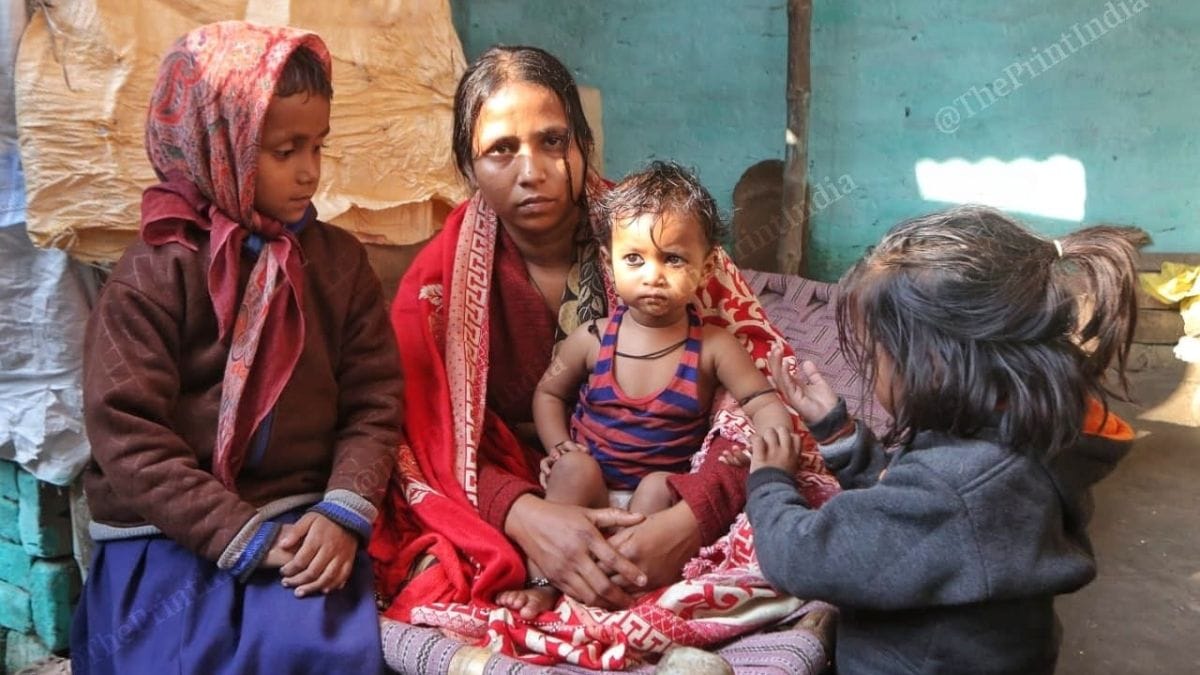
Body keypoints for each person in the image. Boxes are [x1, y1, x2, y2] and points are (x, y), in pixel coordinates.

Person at [369, 45, 838, 634]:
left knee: (776, 524)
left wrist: (692, 514)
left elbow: (755, 401)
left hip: (665, 478)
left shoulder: (654, 233)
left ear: (583, 145)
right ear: (468, 167)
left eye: (552, 141)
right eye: (501, 150)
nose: (532, 171)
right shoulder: (438, 284)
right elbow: (422, 439)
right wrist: (522, 513)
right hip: (535, 482)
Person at [71, 22, 401, 675]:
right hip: (166, 523)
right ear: (220, 144)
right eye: (284, 150)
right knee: (167, 655)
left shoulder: (337, 265)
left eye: (317, 146)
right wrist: (236, 535)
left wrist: (342, 512)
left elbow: (374, 400)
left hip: (300, 513)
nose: (310, 171)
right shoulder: (154, 273)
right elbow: (128, 434)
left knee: (311, 650)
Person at [739, 206, 1140, 674]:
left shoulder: (958, 487)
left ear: (931, 366)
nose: (871, 375)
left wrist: (768, 484)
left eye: (877, 357)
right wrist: (840, 432)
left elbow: (806, 557)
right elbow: (911, 511)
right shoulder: (1028, 435)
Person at [494, 162, 793, 617]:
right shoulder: (591, 340)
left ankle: (631, 587)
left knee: (659, 486)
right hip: (590, 488)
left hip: (652, 507)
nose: (652, 275)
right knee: (575, 469)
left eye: (673, 258)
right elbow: (548, 394)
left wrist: (763, 440)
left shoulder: (712, 345)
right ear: (609, 260)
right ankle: (543, 582)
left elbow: (760, 399)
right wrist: (558, 446)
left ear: (706, 265)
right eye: (634, 259)